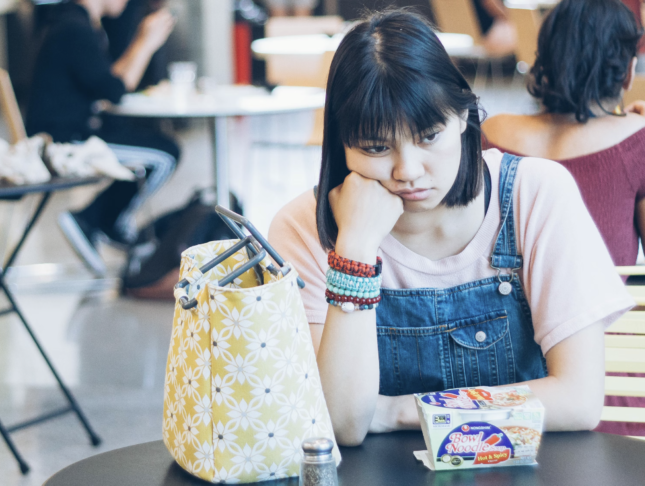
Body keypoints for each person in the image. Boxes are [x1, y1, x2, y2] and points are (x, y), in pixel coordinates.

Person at [267, 9, 632, 445]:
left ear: (463, 116)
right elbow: (343, 423)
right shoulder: (303, 227)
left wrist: (406, 409)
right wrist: (356, 250)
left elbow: (578, 400)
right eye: (376, 146)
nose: (408, 170)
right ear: (342, 146)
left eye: (428, 135)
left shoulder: (534, 194)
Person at [482, 0, 645, 436]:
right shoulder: (637, 143)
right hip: (606, 379)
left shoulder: (490, 134)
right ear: (627, 71)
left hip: (494, 366)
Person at [26, 0, 179, 271]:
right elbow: (114, 90)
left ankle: (107, 221)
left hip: (70, 130)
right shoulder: (75, 28)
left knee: (154, 145)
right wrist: (146, 42)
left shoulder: (77, 22)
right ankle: (92, 219)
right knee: (165, 155)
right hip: (64, 142)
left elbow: (106, 81)